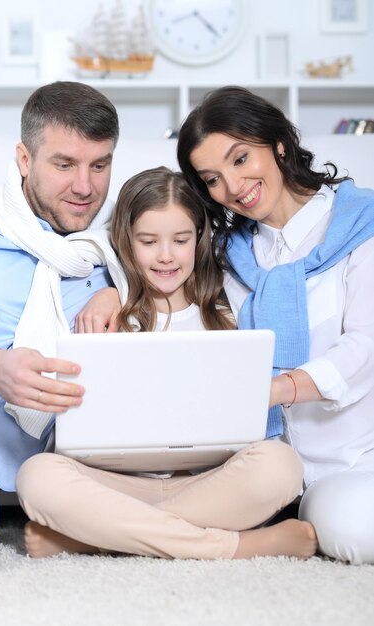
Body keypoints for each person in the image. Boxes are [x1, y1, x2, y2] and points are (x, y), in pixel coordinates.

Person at [16, 166, 317, 562]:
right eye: (148, 241)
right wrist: (110, 296)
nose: (165, 256)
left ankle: (93, 539)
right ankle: (237, 546)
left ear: (198, 239)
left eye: (180, 240)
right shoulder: (105, 313)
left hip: (207, 481)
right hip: (116, 482)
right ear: (125, 242)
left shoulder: (228, 312)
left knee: (281, 465)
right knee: (37, 477)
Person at [176, 85, 374, 564]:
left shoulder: (360, 224)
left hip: (357, 455)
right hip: (276, 466)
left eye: (241, 158)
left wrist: (277, 388)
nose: (233, 186)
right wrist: (105, 285)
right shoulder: (229, 257)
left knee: (358, 528)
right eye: (212, 179)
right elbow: (145, 244)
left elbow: (365, 344)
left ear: (278, 143)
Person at [0, 80, 121, 569]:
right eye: (64, 164)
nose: (85, 187)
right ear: (24, 160)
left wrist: (122, 289)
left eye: (100, 164)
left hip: (61, 460)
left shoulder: (121, 243)